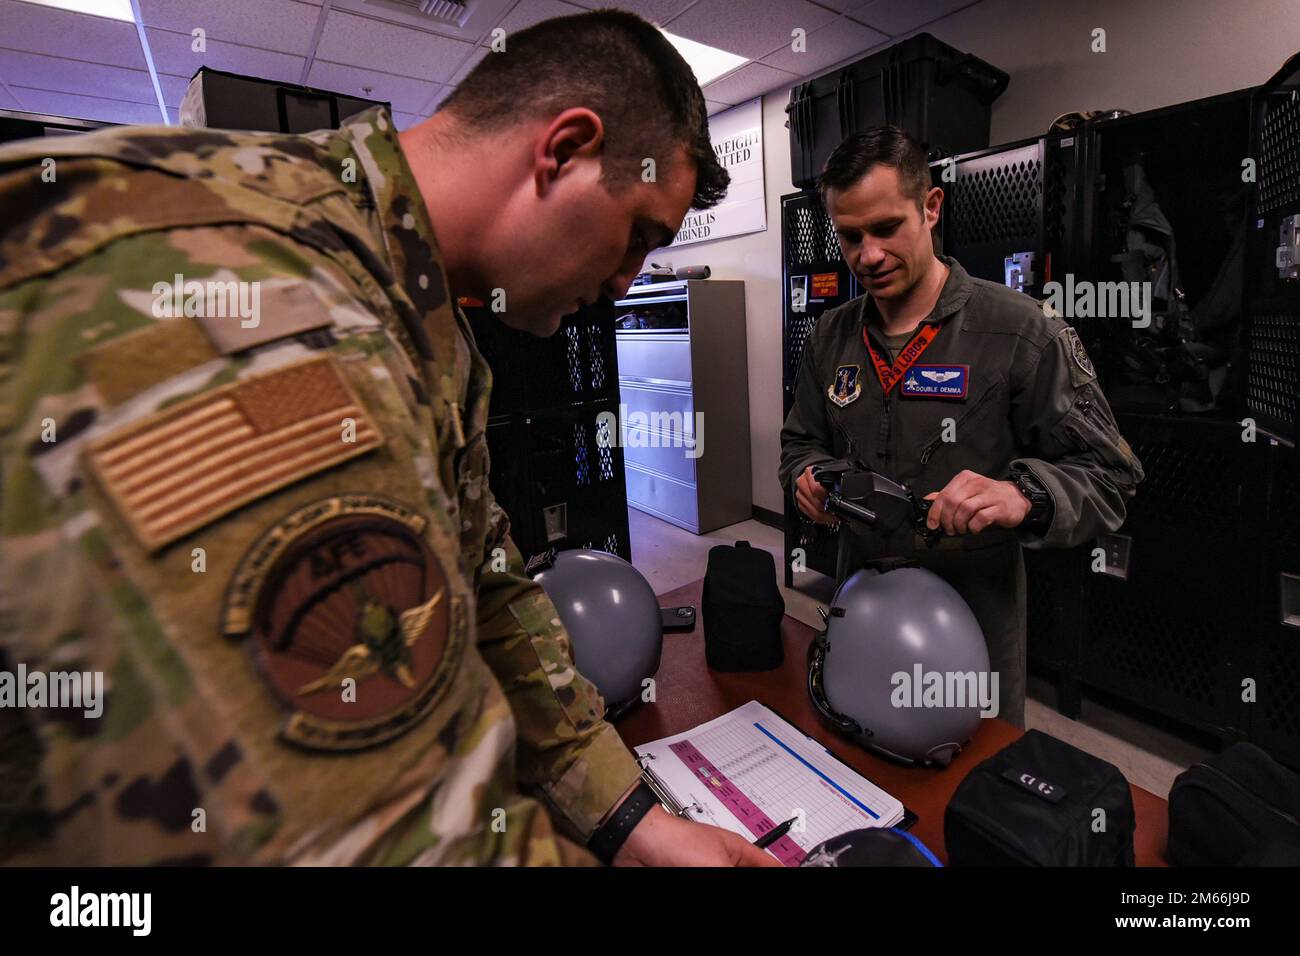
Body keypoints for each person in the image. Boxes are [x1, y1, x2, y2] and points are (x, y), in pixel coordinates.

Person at [0, 9, 773, 867]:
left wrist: (632, 822)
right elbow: (367, 829)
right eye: (638, 238)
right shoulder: (276, 297)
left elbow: (486, 587)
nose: (626, 284)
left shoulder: (418, 311)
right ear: (564, 150)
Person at [779, 126, 1145, 728]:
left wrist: (1021, 493)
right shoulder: (831, 337)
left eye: (887, 228)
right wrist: (808, 476)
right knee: (859, 742)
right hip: (861, 600)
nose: (867, 255)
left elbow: (1111, 474)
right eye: (850, 236)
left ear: (931, 208)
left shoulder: (1021, 332)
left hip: (974, 614)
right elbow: (801, 442)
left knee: (970, 775)